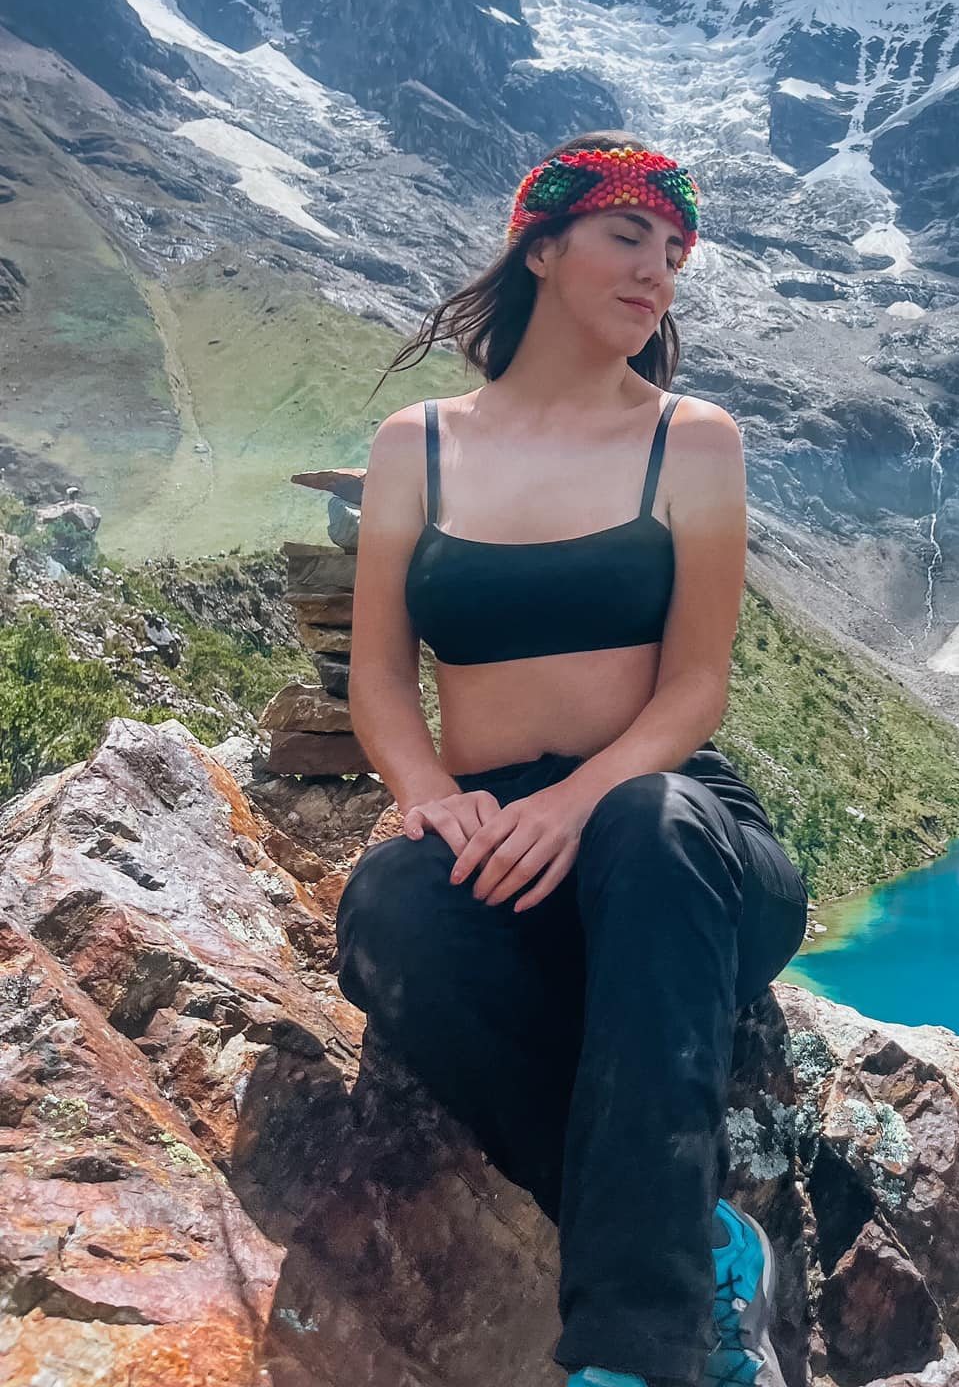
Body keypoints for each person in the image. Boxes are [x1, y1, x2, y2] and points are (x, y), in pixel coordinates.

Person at [333, 131, 808, 1387]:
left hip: (675, 839)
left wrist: (583, 799)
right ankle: (698, 1230)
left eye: (675, 251)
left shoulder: (692, 438)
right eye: (628, 235)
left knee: (645, 826)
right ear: (540, 246)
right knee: (388, 908)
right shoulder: (415, 443)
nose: (658, 270)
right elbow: (380, 674)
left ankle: (632, 1352)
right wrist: (433, 801)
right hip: (494, 830)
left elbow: (695, 685)